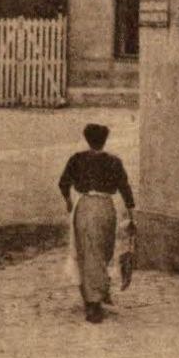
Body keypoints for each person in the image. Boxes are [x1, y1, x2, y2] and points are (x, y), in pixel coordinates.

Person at [57, 123, 136, 324]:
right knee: (102, 251)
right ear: (104, 140)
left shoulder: (77, 159)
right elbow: (125, 188)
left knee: (87, 251)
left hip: (84, 207)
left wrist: (68, 200)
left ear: (87, 139)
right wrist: (131, 214)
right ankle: (94, 302)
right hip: (106, 208)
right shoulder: (114, 162)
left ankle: (95, 293)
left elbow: (63, 183)